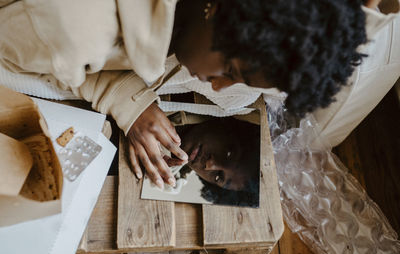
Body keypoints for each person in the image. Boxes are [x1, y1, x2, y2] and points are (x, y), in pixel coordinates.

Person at [0, 0, 397, 189]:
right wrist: (124, 97)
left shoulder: (234, 28)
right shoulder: (73, 31)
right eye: (230, 71)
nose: (218, 85)